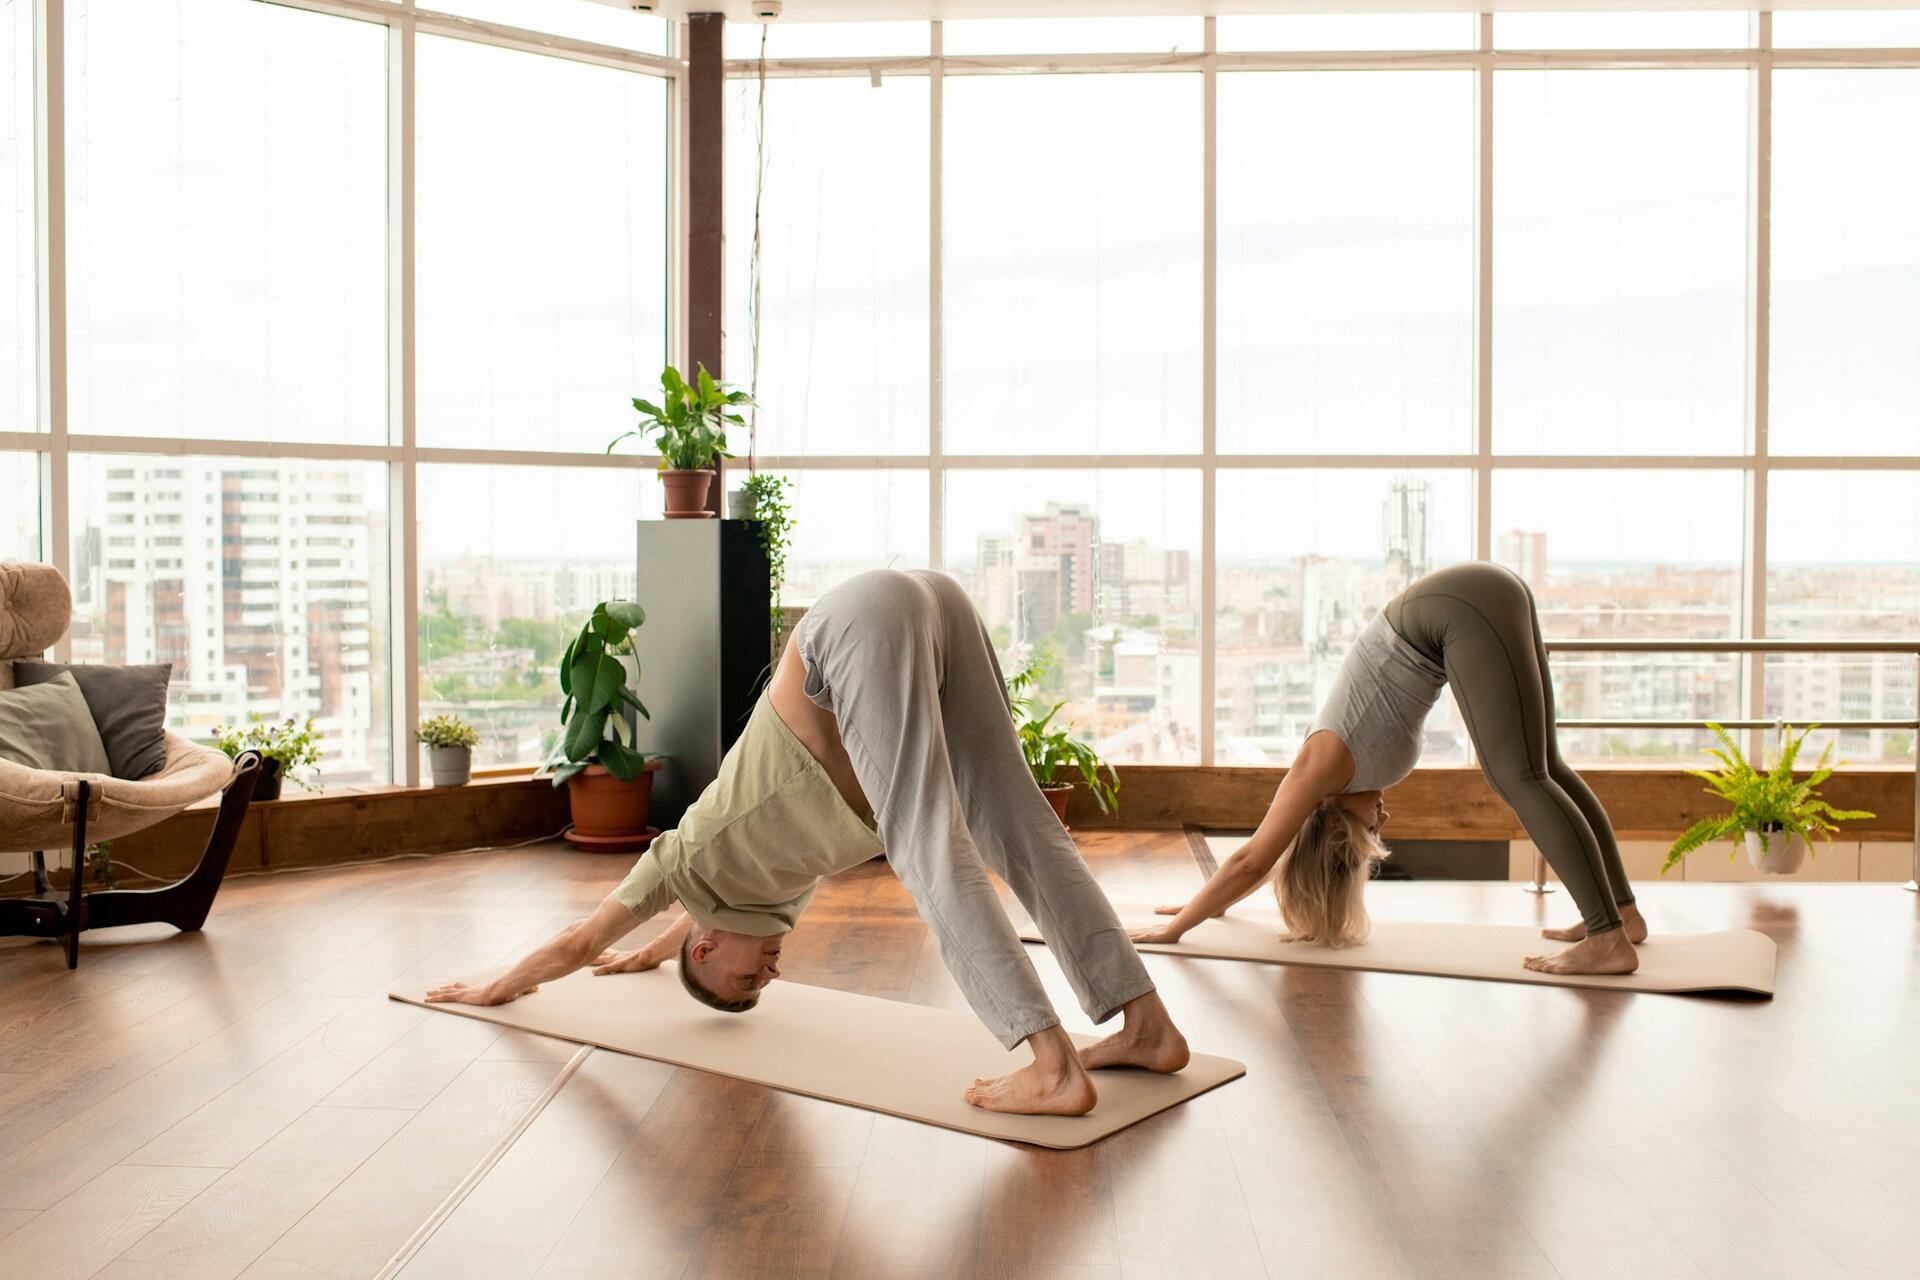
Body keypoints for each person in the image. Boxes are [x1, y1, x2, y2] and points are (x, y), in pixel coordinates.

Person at [429, 569, 1189, 1116]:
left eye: (745, 983)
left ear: (705, 948)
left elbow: (581, 938)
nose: (769, 974)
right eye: (762, 988)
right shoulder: (763, 896)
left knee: (929, 847)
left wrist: (497, 985)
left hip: (853, 630)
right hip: (933, 601)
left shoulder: (688, 860)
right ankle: (1148, 1026)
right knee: (1017, 820)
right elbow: (704, 925)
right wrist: (650, 950)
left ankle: (1051, 1066)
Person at [1135, 561, 1645, 976]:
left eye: (1370, 827)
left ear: (1336, 822)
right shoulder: (1346, 782)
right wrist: (1216, 907)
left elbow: (1251, 859)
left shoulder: (1321, 766)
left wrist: (1180, 925)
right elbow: (1264, 865)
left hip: (1460, 607)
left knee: (1520, 778)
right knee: (1543, 768)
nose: (1383, 817)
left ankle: (1606, 938)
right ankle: (1621, 913)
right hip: (1475, 600)